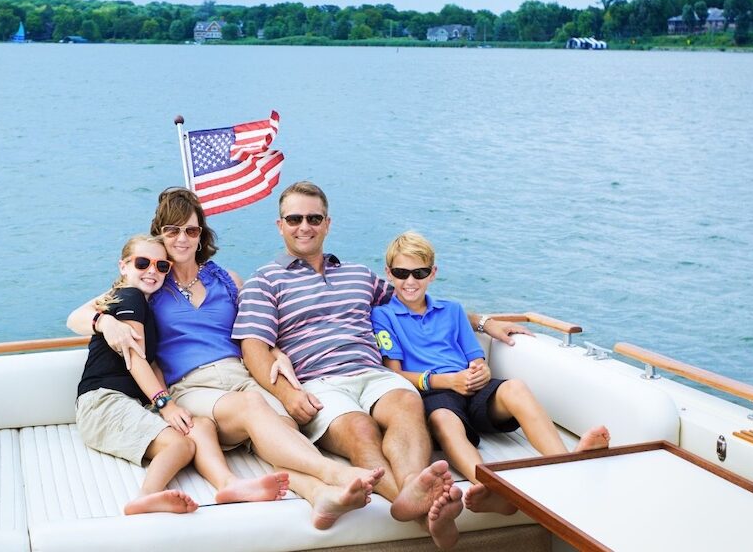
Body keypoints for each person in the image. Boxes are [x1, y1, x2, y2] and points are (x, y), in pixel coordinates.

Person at [233, 181, 530, 549]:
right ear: (280, 226)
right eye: (294, 219)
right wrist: (288, 395)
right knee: (361, 428)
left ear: (327, 224)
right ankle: (420, 506)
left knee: (406, 402)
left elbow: (415, 300)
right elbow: (254, 349)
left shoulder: (358, 275)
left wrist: (484, 322)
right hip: (319, 381)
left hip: (373, 372)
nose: (304, 226)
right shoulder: (264, 281)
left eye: (314, 218)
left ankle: (412, 493)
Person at [68, 188, 381, 529]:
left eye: (191, 230)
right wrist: (104, 322)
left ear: (201, 235)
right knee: (253, 407)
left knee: (282, 428)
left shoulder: (227, 280)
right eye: (172, 231)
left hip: (240, 376)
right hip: (191, 385)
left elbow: (258, 330)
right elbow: (78, 317)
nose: (182, 239)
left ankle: (319, 495)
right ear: (160, 234)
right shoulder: (151, 280)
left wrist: (277, 353)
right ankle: (335, 473)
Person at [370, 230, 610, 546]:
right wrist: (446, 381)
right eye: (401, 273)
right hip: (433, 392)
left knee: (516, 388)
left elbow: (475, 356)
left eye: (420, 272)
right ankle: (495, 488)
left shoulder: (452, 310)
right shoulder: (383, 316)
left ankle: (563, 463)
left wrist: (479, 370)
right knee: (443, 420)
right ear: (389, 274)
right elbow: (395, 373)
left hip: (469, 385)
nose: (410, 281)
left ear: (433, 273)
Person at [76, 234, 289, 516]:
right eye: (142, 263)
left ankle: (228, 484)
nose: (152, 271)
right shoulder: (131, 297)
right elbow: (136, 361)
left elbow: (152, 363)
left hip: (133, 403)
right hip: (104, 403)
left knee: (199, 425)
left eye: (161, 266)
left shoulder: (145, 306)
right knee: (180, 444)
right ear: (123, 266)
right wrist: (166, 404)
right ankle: (145, 497)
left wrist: (167, 403)